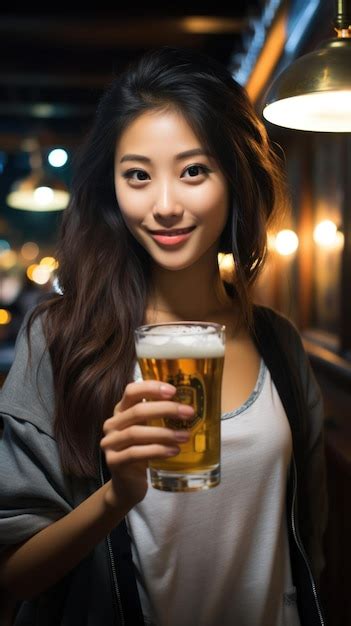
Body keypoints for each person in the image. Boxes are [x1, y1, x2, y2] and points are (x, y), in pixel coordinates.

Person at [0, 46, 328, 626]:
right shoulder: (59, 339)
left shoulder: (278, 342)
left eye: (194, 170)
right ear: (112, 189)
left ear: (234, 177)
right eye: (138, 176)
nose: (166, 206)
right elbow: (15, 572)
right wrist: (116, 495)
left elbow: (309, 540)